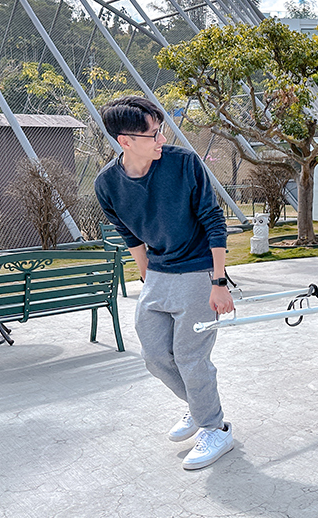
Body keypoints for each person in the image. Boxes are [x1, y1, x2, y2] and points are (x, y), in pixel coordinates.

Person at [95, 96, 235, 470]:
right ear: (125, 141)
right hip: (158, 273)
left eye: (162, 132)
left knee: (191, 357)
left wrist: (218, 281)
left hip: (198, 269)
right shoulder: (108, 184)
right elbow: (129, 235)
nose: (162, 140)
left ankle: (216, 427)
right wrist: (148, 278)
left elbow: (213, 221)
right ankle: (198, 403)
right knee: (155, 357)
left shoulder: (184, 163)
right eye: (153, 134)